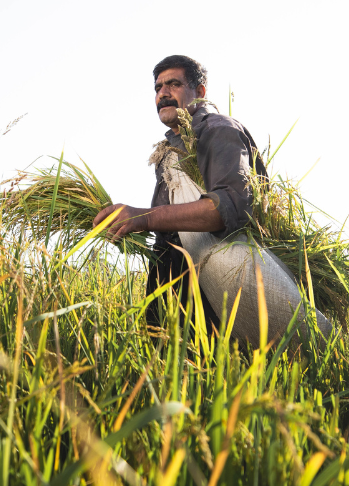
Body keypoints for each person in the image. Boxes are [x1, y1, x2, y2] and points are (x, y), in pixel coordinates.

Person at [92, 55, 267, 328]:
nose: (163, 94)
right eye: (158, 88)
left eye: (173, 84)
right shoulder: (169, 150)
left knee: (215, 368)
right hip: (173, 290)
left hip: (215, 289)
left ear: (200, 92)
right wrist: (127, 228)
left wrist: (144, 218)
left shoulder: (217, 130)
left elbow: (228, 206)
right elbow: (172, 225)